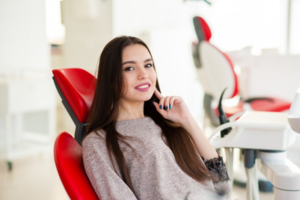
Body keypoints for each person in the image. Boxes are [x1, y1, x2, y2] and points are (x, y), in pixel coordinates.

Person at [82, 36, 231, 200]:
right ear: (111, 79)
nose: (144, 74)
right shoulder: (98, 142)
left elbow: (222, 185)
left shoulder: (171, 123)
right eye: (129, 68)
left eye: (148, 65)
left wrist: (188, 122)